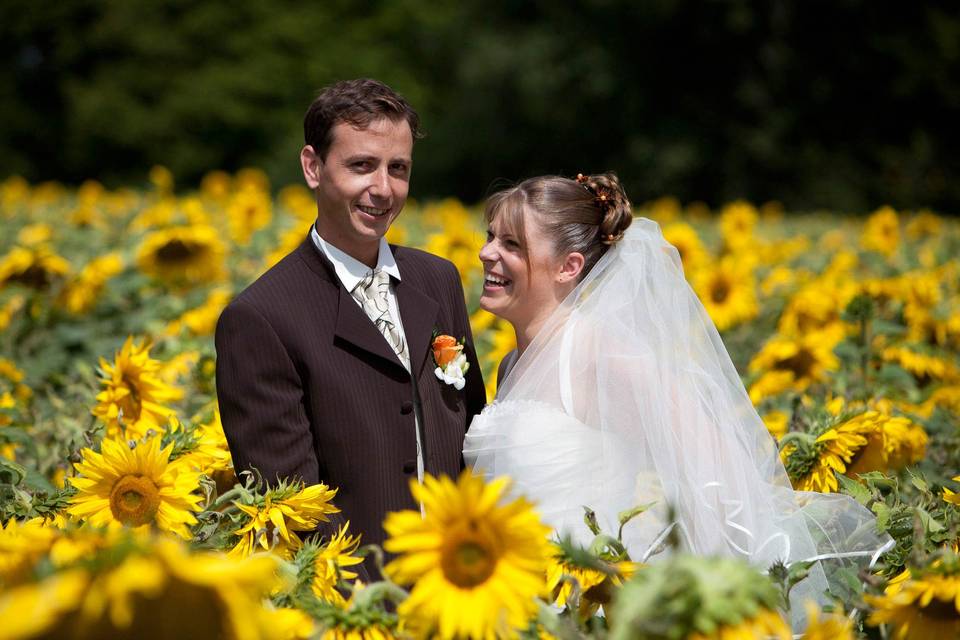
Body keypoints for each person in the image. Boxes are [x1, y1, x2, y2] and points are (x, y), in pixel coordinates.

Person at [462, 173, 891, 620]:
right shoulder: (511, 366)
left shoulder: (601, 356)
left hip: (589, 611)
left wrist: (694, 601)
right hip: (509, 608)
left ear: (568, 266)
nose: (486, 252)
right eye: (491, 237)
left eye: (512, 244)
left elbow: (719, 481)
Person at [216, 79, 487, 572]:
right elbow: (291, 509)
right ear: (313, 167)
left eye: (398, 169)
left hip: (462, 585)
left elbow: (469, 431)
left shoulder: (438, 279)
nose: (382, 189)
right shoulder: (260, 318)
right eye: (361, 165)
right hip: (355, 601)